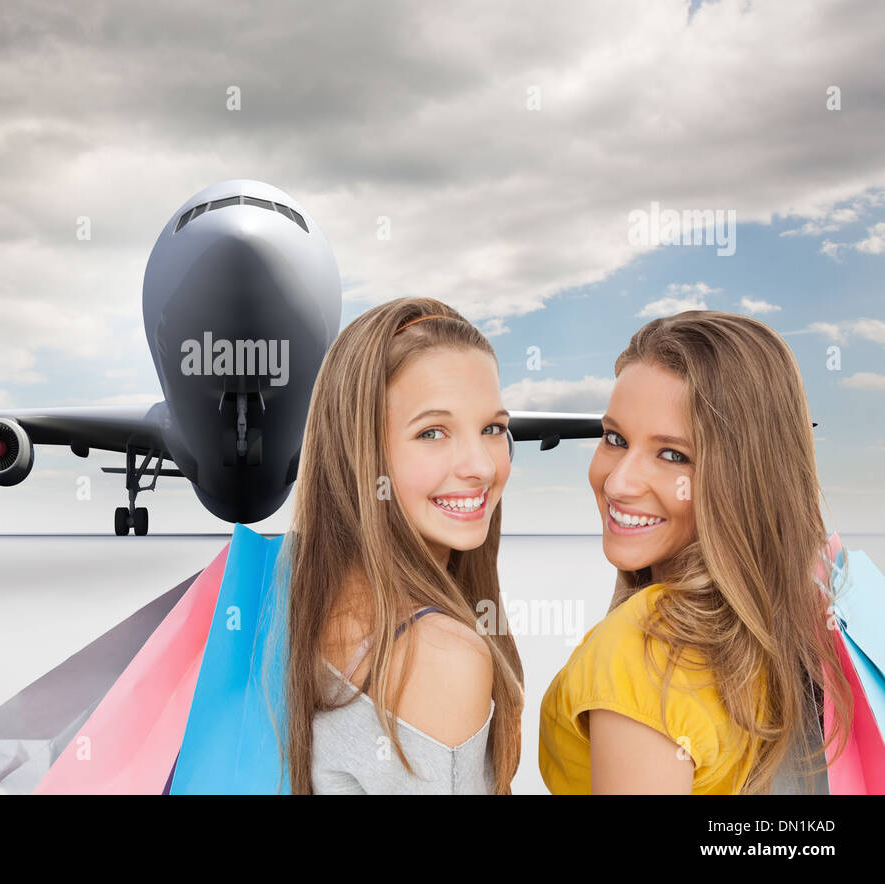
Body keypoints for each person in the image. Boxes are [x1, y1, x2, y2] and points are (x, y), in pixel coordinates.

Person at [538, 310, 852, 794]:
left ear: (743, 479)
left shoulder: (639, 656)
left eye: (673, 455)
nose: (618, 483)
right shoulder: (810, 612)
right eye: (615, 439)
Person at [275, 298, 524, 793]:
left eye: (493, 428)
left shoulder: (295, 596)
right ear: (361, 454)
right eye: (432, 432)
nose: (481, 465)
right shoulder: (441, 657)